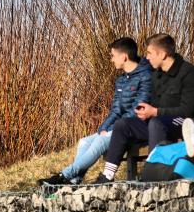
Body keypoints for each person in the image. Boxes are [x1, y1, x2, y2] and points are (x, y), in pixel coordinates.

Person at [94, 33, 194, 183]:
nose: (146, 58)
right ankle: (107, 175)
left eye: (149, 53)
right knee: (124, 124)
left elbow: (188, 111)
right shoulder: (156, 75)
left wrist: (155, 112)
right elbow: (153, 104)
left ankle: (152, 174)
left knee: (157, 122)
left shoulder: (190, 74)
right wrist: (145, 111)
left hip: (189, 123)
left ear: (162, 54)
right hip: (159, 124)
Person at [37, 37, 151, 185]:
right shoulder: (121, 80)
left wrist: (112, 129)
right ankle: (74, 181)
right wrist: (105, 127)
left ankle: (63, 175)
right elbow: (116, 110)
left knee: (101, 139)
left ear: (124, 57)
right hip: (119, 127)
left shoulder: (145, 76)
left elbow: (138, 110)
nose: (111, 60)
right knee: (84, 141)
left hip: (134, 128)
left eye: (112, 56)